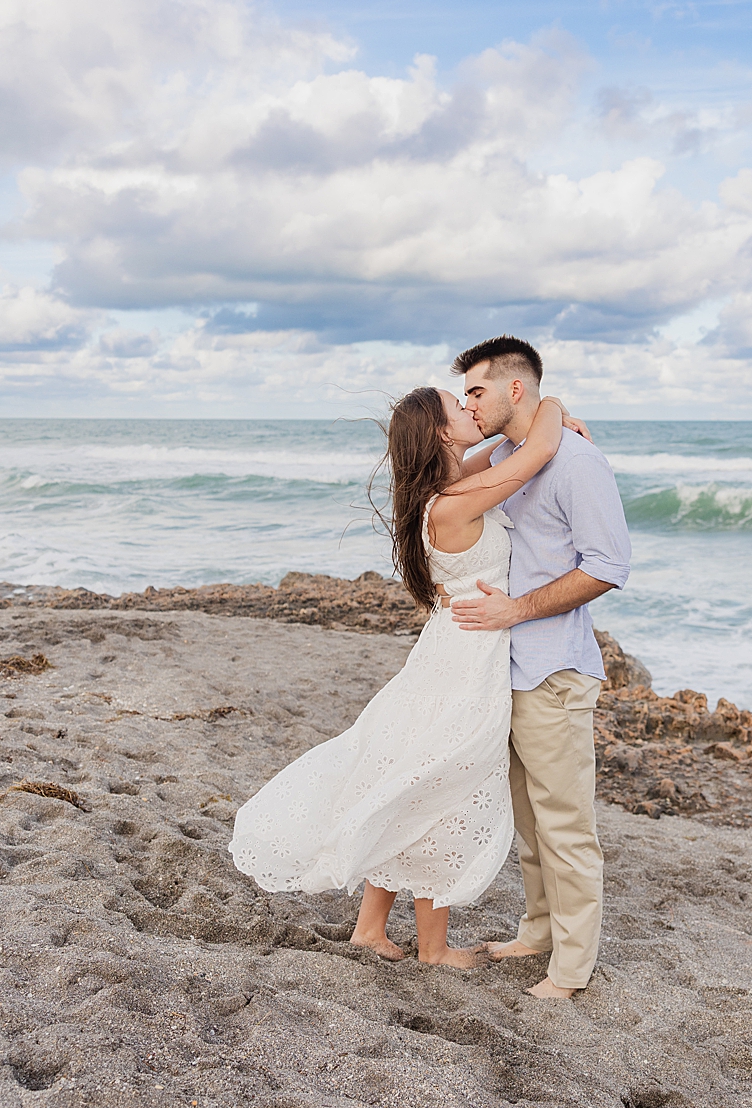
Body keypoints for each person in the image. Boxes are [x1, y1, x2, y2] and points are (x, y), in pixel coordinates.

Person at [230, 385, 573, 966]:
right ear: (440, 431)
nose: (471, 409)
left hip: (450, 653)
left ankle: (370, 929)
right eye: (459, 406)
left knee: (406, 779)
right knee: (440, 788)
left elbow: (502, 451)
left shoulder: (446, 489)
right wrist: (554, 405)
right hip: (463, 664)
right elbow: (536, 452)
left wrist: (514, 422)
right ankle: (433, 950)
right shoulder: (451, 504)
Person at [447, 336, 632, 1001]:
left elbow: (608, 566)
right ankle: (538, 931)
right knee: (528, 820)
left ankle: (572, 970)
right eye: (464, 395)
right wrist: (554, 410)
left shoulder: (578, 462)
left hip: (553, 672)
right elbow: (440, 475)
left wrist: (517, 610)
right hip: (503, 670)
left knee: (565, 826)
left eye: (477, 391)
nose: (470, 404)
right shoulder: (506, 457)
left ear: (514, 388)